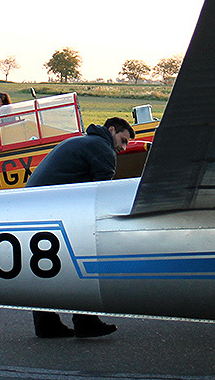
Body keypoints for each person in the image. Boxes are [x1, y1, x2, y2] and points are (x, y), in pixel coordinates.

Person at [24, 117, 134, 338]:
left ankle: (47, 324)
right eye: (122, 140)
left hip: (35, 206)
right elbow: (104, 193)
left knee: (50, 268)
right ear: (111, 129)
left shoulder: (82, 142)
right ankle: (85, 322)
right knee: (80, 263)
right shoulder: (101, 148)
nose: (122, 148)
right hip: (50, 209)